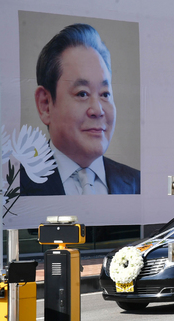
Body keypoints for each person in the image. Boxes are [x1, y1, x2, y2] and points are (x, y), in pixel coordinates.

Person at [21, 23, 140, 195]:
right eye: (82, 93)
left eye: (105, 94)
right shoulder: (13, 188)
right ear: (45, 105)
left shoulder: (137, 184)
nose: (97, 110)